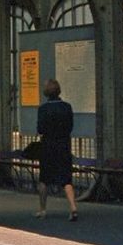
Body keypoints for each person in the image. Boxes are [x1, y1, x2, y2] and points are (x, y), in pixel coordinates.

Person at [36, 78, 78, 221]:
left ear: (46, 93)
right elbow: (70, 127)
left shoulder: (43, 109)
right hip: (64, 145)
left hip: (48, 146)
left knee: (44, 179)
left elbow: (40, 129)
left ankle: (42, 209)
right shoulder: (67, 107)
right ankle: (73, 207)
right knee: (66, 179)